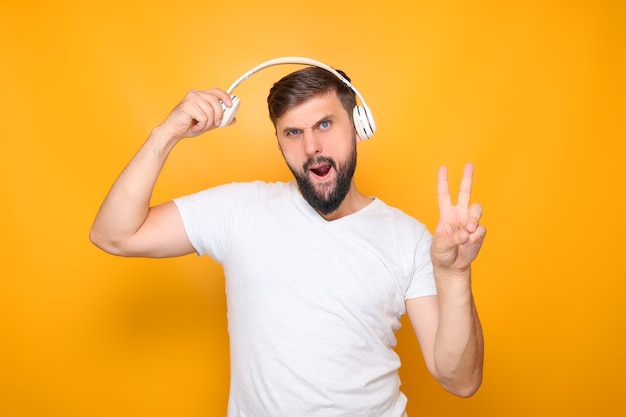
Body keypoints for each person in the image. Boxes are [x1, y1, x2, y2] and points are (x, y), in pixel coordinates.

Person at [90, 64, 486, 417]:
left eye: (325, 125)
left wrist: (454, 278)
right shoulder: (239, 210)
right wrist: (166, 134)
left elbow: (460, 381)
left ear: (359, 125)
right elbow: (115, 235)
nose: (311, 146)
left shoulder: (409, 239)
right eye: (293, 132)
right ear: (279, 141)